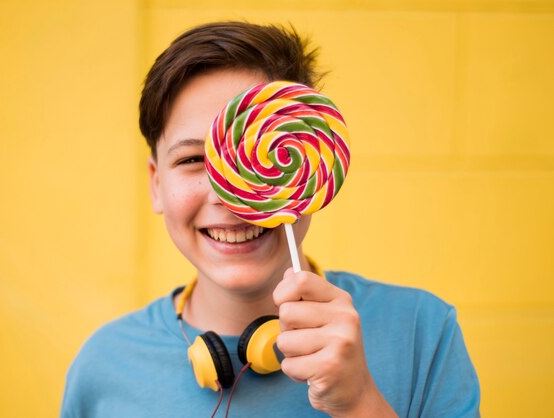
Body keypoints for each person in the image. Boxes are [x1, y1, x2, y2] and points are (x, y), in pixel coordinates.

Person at [60, 21, 480, 417]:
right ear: (156, 184)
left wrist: (358, 402)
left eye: (258, 156)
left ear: (312, 163)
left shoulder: (421, 332)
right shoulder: (104, 366)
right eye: (192, 159)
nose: (229, 196)